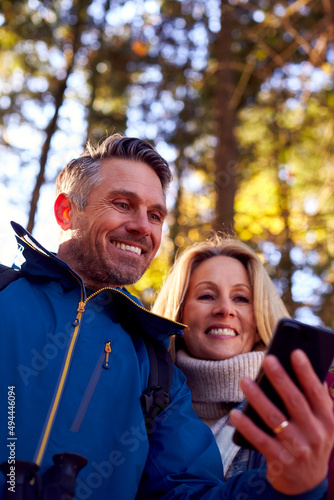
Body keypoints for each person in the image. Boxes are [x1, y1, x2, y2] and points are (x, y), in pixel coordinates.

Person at [0, 134, 332, 500]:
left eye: (155, 215)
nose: (143, 226)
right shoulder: (4, 293)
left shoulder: (158, 369)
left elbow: (185, 492)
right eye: (123, 204)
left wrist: (286, 487)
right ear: (67, 212)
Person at [153, 235, 334, 491]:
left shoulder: (311, 405)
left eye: (241, 298)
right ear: (179, 312)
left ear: (260, 317)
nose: (225, 309)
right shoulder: (144, 407)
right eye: (206, 296)